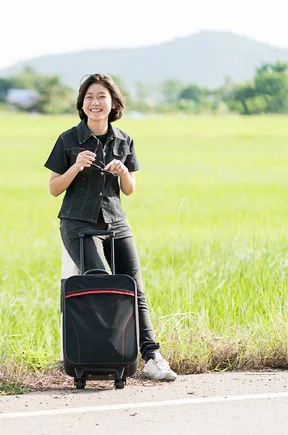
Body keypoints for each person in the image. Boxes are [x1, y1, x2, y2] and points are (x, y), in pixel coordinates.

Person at [44, 73, 177, 381]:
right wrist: (76, 166)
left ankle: (152, 356)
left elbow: (130, 189)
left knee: (134, 288)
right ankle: (99, 357)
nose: (95, 103)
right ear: (82, 103)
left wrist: (122, 173)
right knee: (99, 283)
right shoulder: (68, 139)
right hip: (77, 223)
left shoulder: (123, 140)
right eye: (89, 97)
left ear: (113, 103)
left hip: (116, 221)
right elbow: (53, 188)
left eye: (101, 97)